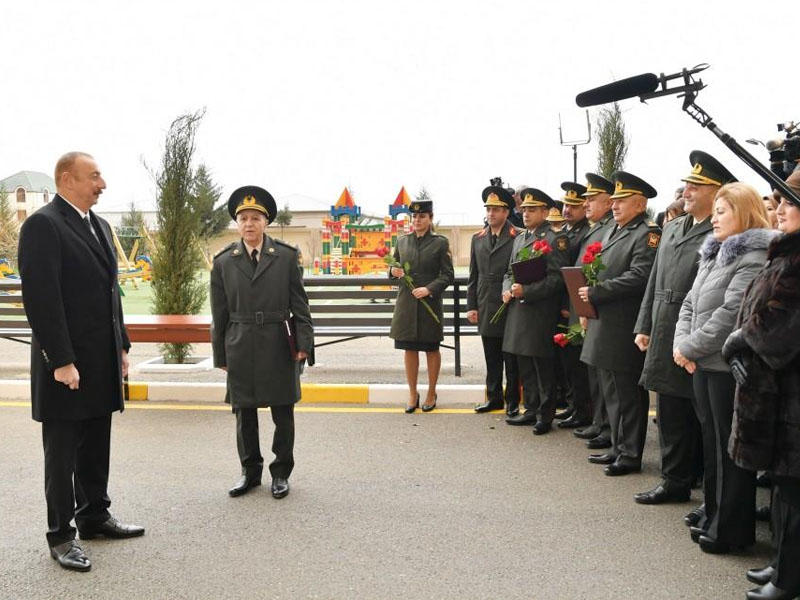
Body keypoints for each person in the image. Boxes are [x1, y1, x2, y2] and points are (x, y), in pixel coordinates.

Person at [17, 152, 143, 572]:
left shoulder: (100, 226)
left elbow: (111, 295)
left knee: (95, 444)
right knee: (62, 454)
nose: (102, 184)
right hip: (66, 364)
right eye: (95, 176)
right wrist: (61, 360)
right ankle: (61, 535)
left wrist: (121, 346)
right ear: (67, 179)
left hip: (100, 360)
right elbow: (42, 300)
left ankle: (93, 516)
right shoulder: (44, 225)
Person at [673, 182, 776, 554]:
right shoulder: (714, 252)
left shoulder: (754, 256)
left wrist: (689, 347)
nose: (714, 218)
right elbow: (689, 303)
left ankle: (732, 529)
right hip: (702, 362)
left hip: (725, 366)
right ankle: (714, 514)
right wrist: (681, 345)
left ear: (744, 213)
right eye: (714, 211)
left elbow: (730, 314)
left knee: (729, 450)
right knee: (712, 444)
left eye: (722, 211)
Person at [633, 151, 736, 507]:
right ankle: (673, 481)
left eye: (696, 186)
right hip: (667, 327)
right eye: (687, 185)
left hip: (698, 332)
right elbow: (654, 280)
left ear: (717, 191)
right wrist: (644, 324)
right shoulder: (673, 227)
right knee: (671, 411)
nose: (686, 191)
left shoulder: (722, 232)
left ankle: (709, 492)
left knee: (704, 418)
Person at [723, 171, 800, 600]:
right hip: (778, 390)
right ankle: (784, 563)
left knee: (795, 489)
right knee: (785, 487)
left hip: (793, 395)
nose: (780, 209)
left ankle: (789, 578)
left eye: (789, 201)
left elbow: (782, 323)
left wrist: (740, 339)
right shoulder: (788, 250)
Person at [211, 186, 314, 499]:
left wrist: (304, 344)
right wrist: (220, 355)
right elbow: (219, 313)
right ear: (237, 224)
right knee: (244, 414)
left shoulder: (285, 257)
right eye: (243, 218)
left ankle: (280, 472)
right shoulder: (224, 261)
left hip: (278, 342)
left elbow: (301, 305)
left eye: (255, 218)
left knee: (283, 412)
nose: (249, 224)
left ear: (265, 222)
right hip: (240, 343)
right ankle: (250, 472)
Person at [578, 171, 661, 476]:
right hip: (606, 322)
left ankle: (630, 454)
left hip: (624, 323)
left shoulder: (647, 234)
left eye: (622, 201)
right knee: (612, 391)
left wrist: (598, 292)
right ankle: (618, 445)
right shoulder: (614, 230)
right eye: (613, 200)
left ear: (640, 204)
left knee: (626, 393)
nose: (614, 205)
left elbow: (640, 276)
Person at [502, 188, 571, 434]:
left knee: (542, 366)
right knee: (525, 364)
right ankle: (530, 409)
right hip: (519, 309)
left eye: (532, 209)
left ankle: (545, 414)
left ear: (545, 212)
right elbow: (509, 272)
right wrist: (507, 289)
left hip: (540, 311)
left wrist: (527, 291)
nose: (526, 214)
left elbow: (557, 279)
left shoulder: (554, 239)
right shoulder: (520, 238)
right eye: (524, 209)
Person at [389, 200, 454, 412]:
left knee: (431, 348)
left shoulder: (440, 243)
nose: (417, 220)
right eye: (414, 217)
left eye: (422, 216)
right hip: (407, 304)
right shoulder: (402, 241)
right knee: (409, 348)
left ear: (430, 218)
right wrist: (393, 271)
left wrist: (429, 289)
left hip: (429, 303)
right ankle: (412, 393)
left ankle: (431, 392)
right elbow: (393, 267)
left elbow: (448, 275)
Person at [571, 173, 617, 450]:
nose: (586, 203)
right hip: (589, 306)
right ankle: (600, 423)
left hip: (601, 307)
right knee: (594, 373)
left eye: (592, 199)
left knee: (604, 377)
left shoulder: (609, 228)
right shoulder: (597, 227)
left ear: (609, 202)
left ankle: (607, 427)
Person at [469, 186, 521, 417]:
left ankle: (513, 401)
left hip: (509, 303)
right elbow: (473, 276)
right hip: (486, 304)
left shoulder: (518, 236)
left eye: (496, 209)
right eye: (488, 209)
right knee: (491, 356)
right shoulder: (478, 238)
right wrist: (471, 306)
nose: (491, 213)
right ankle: (494, 398)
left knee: (511, 356)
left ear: (506, 212)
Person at [554, 181, 592, 427]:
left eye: (573, 206)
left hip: (575, 305)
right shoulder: (565, 232)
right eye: (565, 205)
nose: (567, 210)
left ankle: (582, 411)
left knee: (577, 363)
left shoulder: (585, 233)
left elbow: (577, 273)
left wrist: (570, 304)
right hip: (563, 304)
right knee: (566, 362)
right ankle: (572, 405)